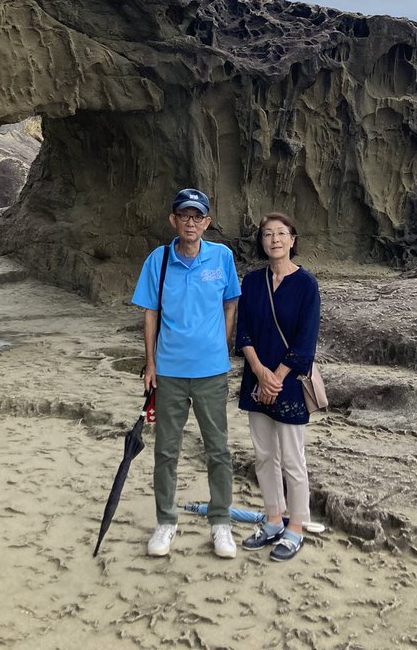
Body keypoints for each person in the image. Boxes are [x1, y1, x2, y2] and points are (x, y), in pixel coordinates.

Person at [131, 187, 241, 559]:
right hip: (170, 372)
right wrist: (151, 363)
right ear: (173, 220)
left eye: (197, 217)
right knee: (166, 450)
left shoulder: (222, 257)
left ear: (207, 222)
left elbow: (230, 304)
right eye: (184, 216)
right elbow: (150, 314)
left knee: (218, 449)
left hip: (211, 372)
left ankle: (221, 522)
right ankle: (166, 521)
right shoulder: (158, 260)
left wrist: (221, 345)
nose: (190, 223)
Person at [235, 211, 321, 562]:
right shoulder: (252, 282)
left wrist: (277, 377)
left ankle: (295, 526)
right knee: (264, 456)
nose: (275, 239)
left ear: (292, 240)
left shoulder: (307, 285)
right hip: (256, 379)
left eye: (281, 233)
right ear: (262, 241)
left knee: (292, 458)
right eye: (268, 234)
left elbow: (305, 340)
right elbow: (243, 331)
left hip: (288, 383)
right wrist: (259, 371)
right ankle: (273, 520)